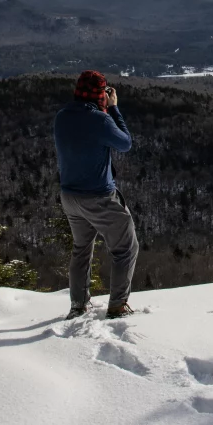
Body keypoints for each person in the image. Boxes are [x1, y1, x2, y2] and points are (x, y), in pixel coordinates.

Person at [53, 70, 138, 320]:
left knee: (81, 248)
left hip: (70, 196)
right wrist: (113, 109)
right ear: (101, 93)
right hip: (99, 196)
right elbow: (125, 143)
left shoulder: (62, 116)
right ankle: (118, 305)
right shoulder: (100, 120)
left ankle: (78, 305)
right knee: (125, 248)